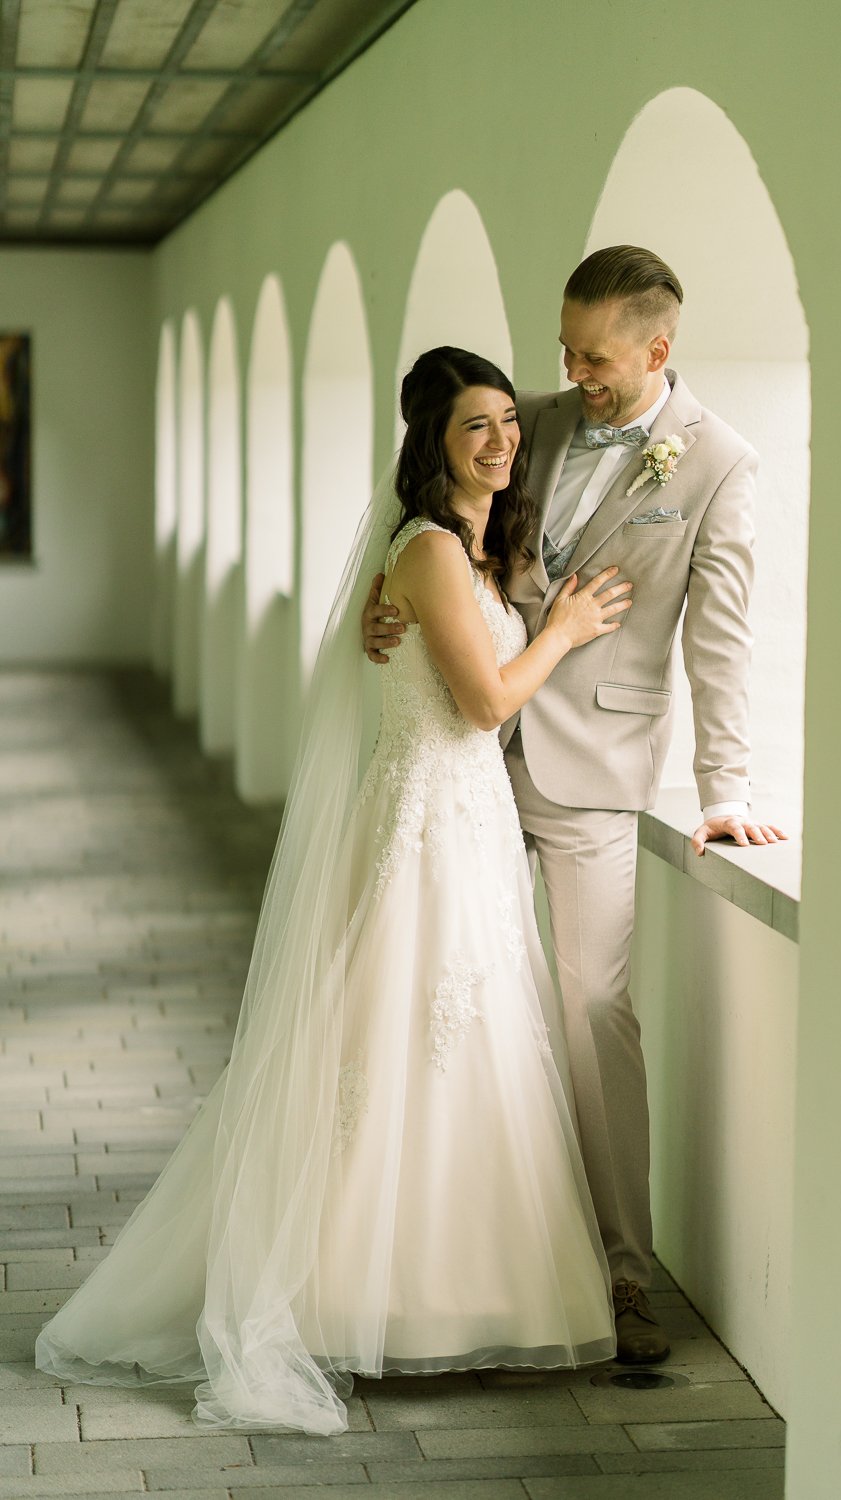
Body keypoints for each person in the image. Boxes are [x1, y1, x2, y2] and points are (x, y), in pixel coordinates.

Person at [35, 347, 635, 1436]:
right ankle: (360, 1297)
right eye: (473, 428)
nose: (499, 441)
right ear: (430, 443)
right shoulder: (432, 554)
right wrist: (564, 631)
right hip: (426, 828)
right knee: (399, 1048)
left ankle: (455, 1293)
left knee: (462, 1047)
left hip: (465, 827)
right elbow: (485, 703)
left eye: (507, 420)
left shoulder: (465, 548)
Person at [364, 246, 787, 1365]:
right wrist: (380, 601)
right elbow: (438, 532)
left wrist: (727, 787)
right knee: (437, 993)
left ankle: (622, 1274)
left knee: (591, 1013)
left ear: (658, 350)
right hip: (464, 758)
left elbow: (724, 642)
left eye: (593, 357)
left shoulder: (720, 466)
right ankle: (439, 1256)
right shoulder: (526, 422)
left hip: (596, 778)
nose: (571, 372)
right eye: (564, 348)